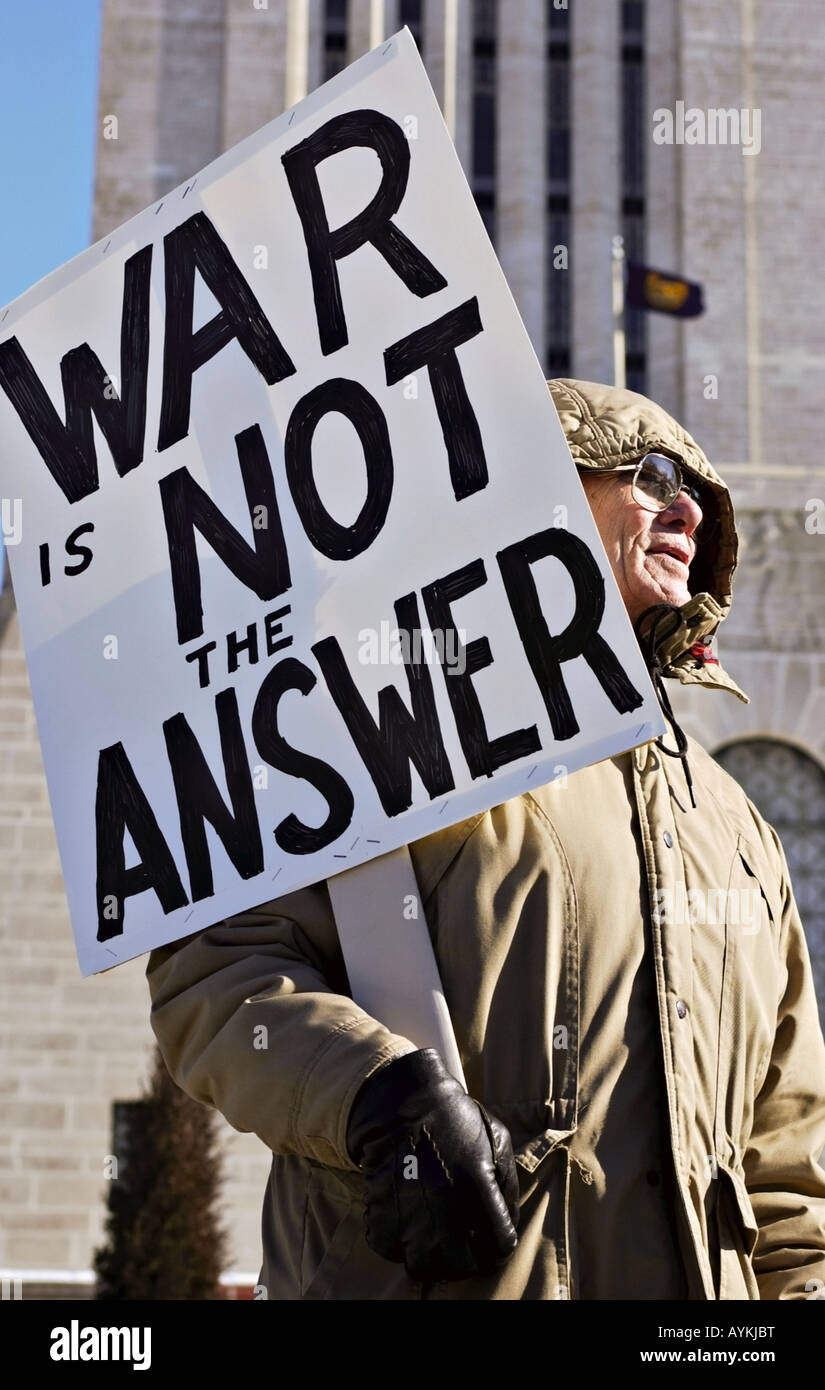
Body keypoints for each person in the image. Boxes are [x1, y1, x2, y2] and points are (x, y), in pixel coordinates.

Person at [146, 378, 825, 1300]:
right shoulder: (387, 721)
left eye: (701, 496)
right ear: (532, 488)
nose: (687, 509)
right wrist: (374, 1098)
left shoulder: (738, 828)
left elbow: (786, 1176)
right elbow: (217, 969)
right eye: (654, 475)